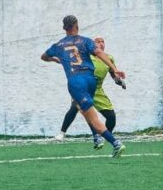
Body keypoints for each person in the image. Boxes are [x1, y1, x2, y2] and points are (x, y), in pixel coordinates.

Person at [42, 15, 127, 157]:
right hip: (90, 79)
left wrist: (56, 59)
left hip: (76, 82)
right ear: (77, 26)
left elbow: (43, 57)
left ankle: (115, 143)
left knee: (91, 116)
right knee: (83, 109)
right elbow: (99, 52)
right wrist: (115, 69)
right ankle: (96, 137)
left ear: (64, 28)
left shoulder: (58, 45)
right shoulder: (85, 40)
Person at [56, 36, 126, 149]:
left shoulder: (109, 58)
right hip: (84, 88)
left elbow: (114, 75)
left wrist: (119, 82)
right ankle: (62, 133)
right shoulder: (86, 56)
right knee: (75, 108)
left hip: (98, 89)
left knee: (111, 117)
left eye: (103, 41)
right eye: (98, 42)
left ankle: (104, 136)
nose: (101, 43)